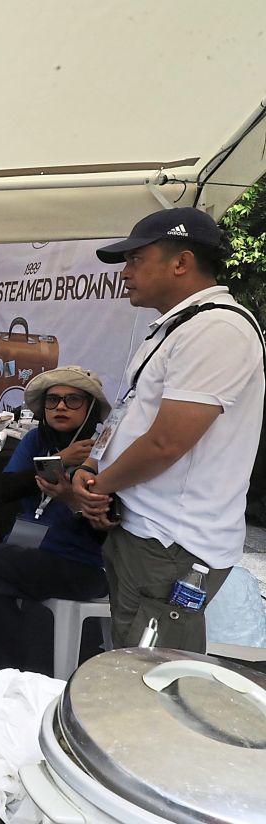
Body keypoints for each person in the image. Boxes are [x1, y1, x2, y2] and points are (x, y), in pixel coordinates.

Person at [74, 207, 265, 652]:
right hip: (146, 532)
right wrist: (90, 464)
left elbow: (166, 443)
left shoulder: (218, 328)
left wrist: (99, 485)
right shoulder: (177, 327)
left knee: (151, 677)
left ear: (180, 262)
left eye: (136, 259)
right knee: (130, 657)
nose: (125, 273)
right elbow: (127, 413)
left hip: (173, 543)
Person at [0, 367, 111, 674]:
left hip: (80, 562)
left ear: (90, 406)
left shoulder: (102, 449)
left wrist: (68, 497)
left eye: (72, 400)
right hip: (26, 550)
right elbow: (5, 489)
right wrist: (60, 459)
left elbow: (105, 525)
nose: (60, 407)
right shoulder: (38, 439)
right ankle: (1, 669)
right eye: (53, 401)